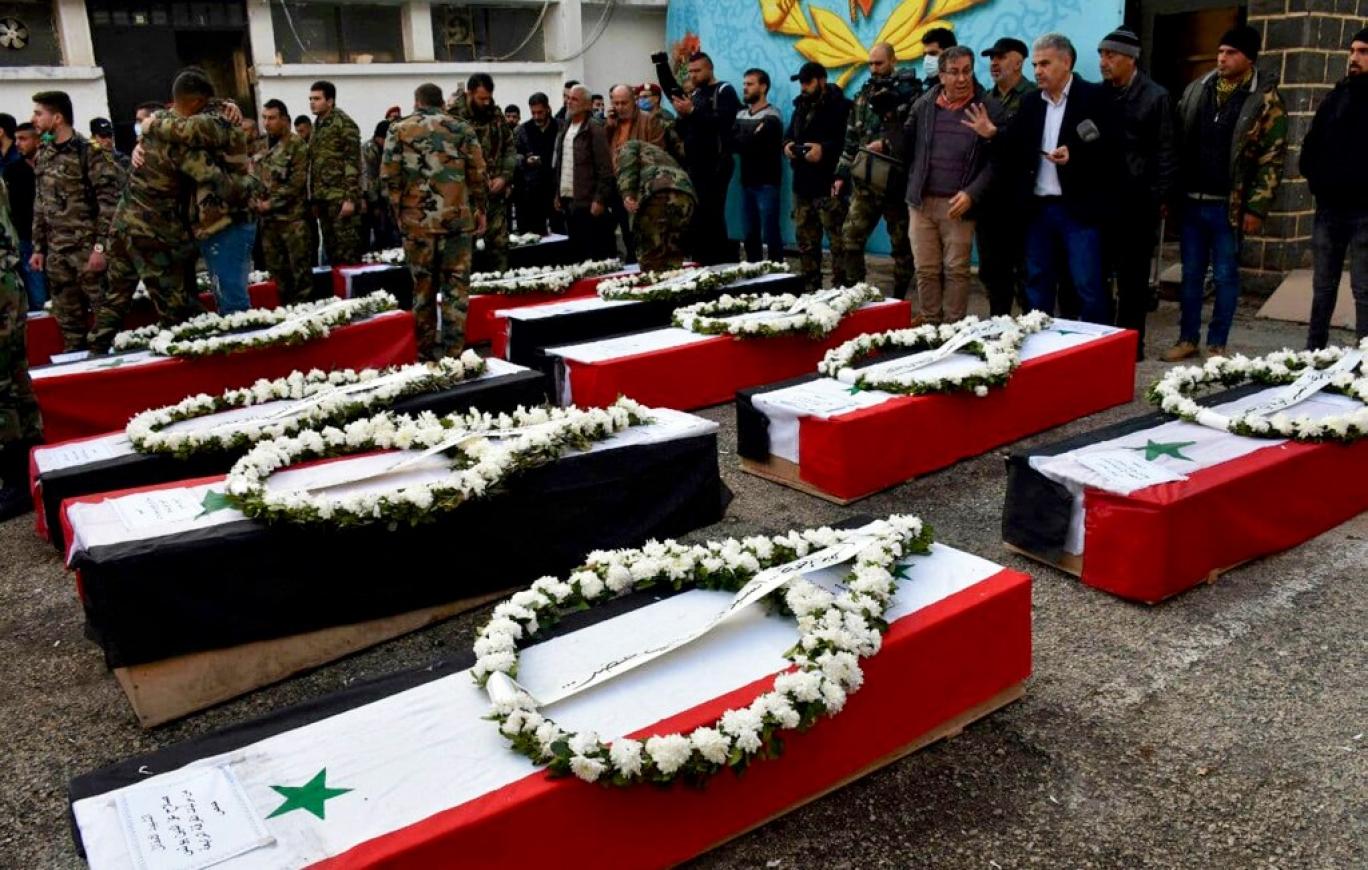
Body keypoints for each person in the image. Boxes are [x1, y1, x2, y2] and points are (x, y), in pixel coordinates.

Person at [89, 69, 242, 352]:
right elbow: (212, 177)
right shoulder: (177, 140)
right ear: (196, 104)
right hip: (152, 232)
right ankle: (184, 362)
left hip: (123, 224)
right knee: (176, 308)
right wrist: (247, 188)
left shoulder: (157, 125)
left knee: (115, 297)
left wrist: (226, 105)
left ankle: (95, 351)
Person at [1167, 25, 1287, 359]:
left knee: (1224, 276)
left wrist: (1256, 207)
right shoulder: (1198, 89)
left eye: (1231, 53)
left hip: (1228, 206)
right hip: (1192, 201)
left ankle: (1217, 343)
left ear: (1249, 58)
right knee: (1191, 274)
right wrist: (1170, 193)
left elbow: (1272, 158)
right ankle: (1187, 338)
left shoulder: (1265, 100)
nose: (1222, 58)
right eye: (1220, 51)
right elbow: (1176, 141)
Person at [990, 33, 1120, 324]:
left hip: (1079, 209)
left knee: (1087, 282)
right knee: (1037, 280)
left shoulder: (1095, 98)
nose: (1037, 71)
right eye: (1035, 65)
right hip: (1038, 209)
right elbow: (1016, 148)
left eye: (1045, 64)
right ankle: (1039, 338)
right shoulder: (1031, 102)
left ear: (1067, 62)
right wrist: (993, 134)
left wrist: (1075, 154)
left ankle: (1096, 343)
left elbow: (1112, 150)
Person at [893, 45, 1000, 325]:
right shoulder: (924, 104)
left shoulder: (987, 106)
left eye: (967, 71)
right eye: (954, 72)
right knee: (925, 269)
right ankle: (930, 323)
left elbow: (997, 162)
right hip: (921, 201)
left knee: (956, 270)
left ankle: (954, 327)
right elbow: (905, 148)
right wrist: (891, 121)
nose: (962, 79)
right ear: (941, 76)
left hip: (959, 203)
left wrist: (972, 193)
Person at [381, 82, 487, 361]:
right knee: (456, 290)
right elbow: (478, 173)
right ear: (441, 102)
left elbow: (389, 177)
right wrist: (481, 209)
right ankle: (454, 353)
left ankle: (424, 354)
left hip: (417, 224)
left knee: (422, 290)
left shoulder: (399, 129)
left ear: (416, 102)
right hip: (457, 222)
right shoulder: (462, 128)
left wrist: (398, 214)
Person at [141, 91, 261, 315]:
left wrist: (152, 128)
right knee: (223, 297)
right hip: (206, 225)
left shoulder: (213, 123)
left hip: (227, 222)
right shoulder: (198, 123)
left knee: (233, 302)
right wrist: (143, 141)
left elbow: (199, 162)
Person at [1098, 28, 1176, 359]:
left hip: (1138, 202)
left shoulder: (1155, 97)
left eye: (1111, 55)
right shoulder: (1100, 94)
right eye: (1101, 55)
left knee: (1133, 279)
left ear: (1130, 59)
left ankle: (1131, 345)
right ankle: (1103, 340)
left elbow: (1166, 150)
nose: (1104, 62)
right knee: (1099, 275)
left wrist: (1160, 197)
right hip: (1103, 200)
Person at [29, 90, 123, 351]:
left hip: (87, 252)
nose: (34, 119)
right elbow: (41, 203)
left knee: (105, 321)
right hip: (58, 256)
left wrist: (100, 248)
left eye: (39, 113)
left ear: (57, 118)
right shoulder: (44, 153)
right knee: (69, 327)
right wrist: (38, 247)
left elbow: (109, 204)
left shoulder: (88, 152)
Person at [835, 41, 921, 298]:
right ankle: (857, 293)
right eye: (870, 64)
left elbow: (914, 135)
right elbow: (851, 137)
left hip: (897, 184)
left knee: (902, 247)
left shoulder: (910, 93)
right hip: (865, 183)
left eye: (879, 63)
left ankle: (899, 297)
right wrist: (841, 173)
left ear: (893, 61)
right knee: (850, 238)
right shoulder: (863, 95)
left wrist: (886, 144)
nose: (874, 68)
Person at [1302, 27, 1368, 349]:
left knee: (1364, 289)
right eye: (1352, 50)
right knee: (1323, 287)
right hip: (1330, 209)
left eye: (1363, 52)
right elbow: (1312, 145)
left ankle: (1366, 358)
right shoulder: (1336, 96)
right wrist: (1318, 180)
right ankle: (1313, 353)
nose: (1354, 57)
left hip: (1364, 213)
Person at [973, 37, 1035, 315]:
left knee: (1026, 270)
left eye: (1001, 57)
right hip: (990, 197)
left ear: (1019, 62)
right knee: (992, 270)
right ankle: (999, 324)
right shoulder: (986, 99)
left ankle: (1029, 325)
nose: (994, 63)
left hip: (1022, 197)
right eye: (992, 58)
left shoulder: (1033, 97)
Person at [785, 61, 851, 291]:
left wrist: (824, 150)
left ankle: (842, 290)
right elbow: (789, 134)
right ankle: (810, 287)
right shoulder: (800, 107)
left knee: (839, 243)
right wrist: (788, 145)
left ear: (822, 81)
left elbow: (850, 143)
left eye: (808, 82)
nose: (804, 87)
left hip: (829, 184)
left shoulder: (842, 107)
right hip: (803, 184)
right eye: (801, 83)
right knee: (806, 242)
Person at [672, 51, 742, 264]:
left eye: (697, 70)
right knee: (697, 215)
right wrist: (683, 115)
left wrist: (693, 111)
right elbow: (685, 129)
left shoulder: (724, 90)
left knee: (712, 213)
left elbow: (723, 122)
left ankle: (718, 261)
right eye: (690, 71)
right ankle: (701, 259)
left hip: (716, 163)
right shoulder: (695, 94)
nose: (693, 75)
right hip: (695, 165)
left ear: (710, 69)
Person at [0, 172, 41, 521]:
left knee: (5, 384)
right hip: (7, 280)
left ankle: (16, 482)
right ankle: (32, 469)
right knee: (16, 376)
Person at [452, 74, 516, 272]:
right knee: (464, 253)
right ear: (469, 94)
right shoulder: (453, 117)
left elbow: (509, 148)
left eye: (489, 97)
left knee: (499, 247)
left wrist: (504, 177)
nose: (486, 102)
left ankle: (501, 283)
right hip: (465, 198)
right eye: (482, 98)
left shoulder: (495, 114)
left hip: (493, 194)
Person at [254, 99, 313, 305]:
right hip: (268, 223)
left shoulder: (296, 145)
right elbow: (254, 177)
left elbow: (297, 183)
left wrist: (270, 203)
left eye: (271, 118)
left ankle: (305, 313)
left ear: (285, 120)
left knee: (300, 274)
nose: (266, 123)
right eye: (264, 118)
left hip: (292, 221)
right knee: (277, 275)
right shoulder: (260, 145)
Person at [552, 84, 615, 260]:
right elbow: (561, 163)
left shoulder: (594, 129)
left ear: (587, 104)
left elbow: (605, 168)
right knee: (576, 252)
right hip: (568, 201)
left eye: (574, 99)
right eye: (568, 98)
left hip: (588, 202)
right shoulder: (565, 127)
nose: (569, 102)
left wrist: (600, 199)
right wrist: (558, 193)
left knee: (593, 253)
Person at [606, 82, 666, 261]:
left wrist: (634, 188)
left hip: (640, 186)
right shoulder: (612, 124)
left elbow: (656, 155)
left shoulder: (649, 120)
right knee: (625, 236)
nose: (620, 108)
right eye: (616, 103)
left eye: (624, 103)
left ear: (634, 101)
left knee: (641, 237)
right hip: (617, 185)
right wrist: (608, 127)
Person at [616, 139, 695, 271]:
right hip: (685, 193)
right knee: (673, 250)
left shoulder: (628, 146)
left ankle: (655, 279)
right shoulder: (658, 153)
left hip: (657, 194)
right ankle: (675, 278)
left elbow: (627, 167)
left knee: (651, 255)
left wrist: (627, 193)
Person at [307, 80, 364, 264]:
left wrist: (350, 199)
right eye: (310, 99)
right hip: (323, 199)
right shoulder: (318, 125)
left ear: (330, 101)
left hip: (340, 198)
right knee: (332, 253)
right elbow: (314, 163)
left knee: (347, 252)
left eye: (317, 99)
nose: (312, 103)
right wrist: (314, 198)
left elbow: (353, 162)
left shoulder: (344, 124)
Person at [734, 68, 785, 263]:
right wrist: (750, 136)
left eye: (750, 84)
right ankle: (753, 270)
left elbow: (758, 142)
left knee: (771, 231)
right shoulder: (741, 114)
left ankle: (776, 270)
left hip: (767, 182)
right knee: (749, 233)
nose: (745, 88)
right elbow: (733, 143)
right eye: (744, 84)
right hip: (747, 182)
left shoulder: (773, 115)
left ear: (763, 87)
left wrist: (746, 139)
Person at [4, 123, 44, 309]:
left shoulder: (51, 166)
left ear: (37, 140)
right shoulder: (12, 171)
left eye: (23, 139)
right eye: (16, 139)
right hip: (27, 239)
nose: (18, 143)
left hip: (58, 238)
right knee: (37, 296)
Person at [514, 92, 559, 236]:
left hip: (555, 188)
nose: (537, 117)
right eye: (533, 113)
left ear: (547, 109)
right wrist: (525, 161)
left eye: (540, 112)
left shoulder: (560, 127)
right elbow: (513, 155)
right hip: (532, 191)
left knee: (559, 232)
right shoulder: (522, 130)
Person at [361, 120, 397, 251]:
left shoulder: (386, 150)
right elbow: (369, 179)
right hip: (368, 199)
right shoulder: (369, 150)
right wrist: (375, 204)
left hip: (383, 199)